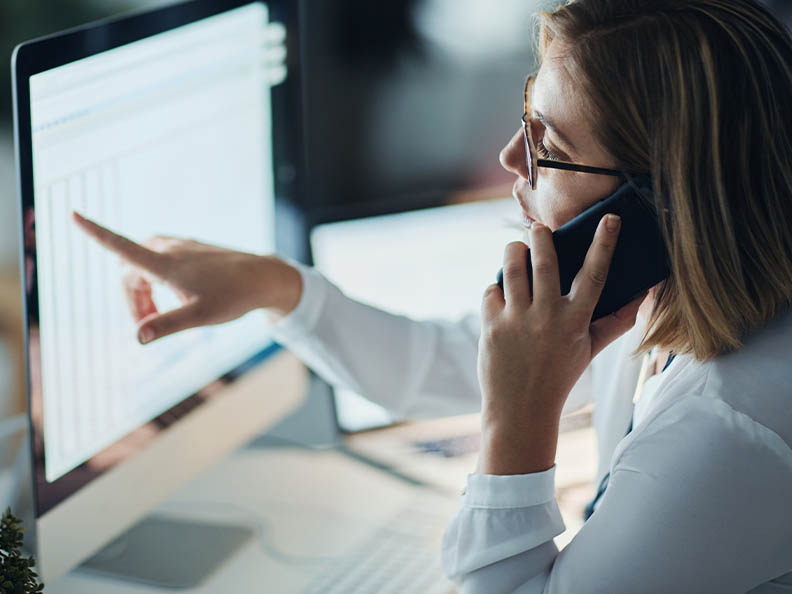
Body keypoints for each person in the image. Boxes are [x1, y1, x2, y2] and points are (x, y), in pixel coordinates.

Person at [73, 0, 792, 591]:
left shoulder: (728, 430)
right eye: (525, 113)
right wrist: (275, 286)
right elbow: (446, 362)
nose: (512, 157)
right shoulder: (662, 293)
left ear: (659, 204)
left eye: (547, 139)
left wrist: (521, 422)